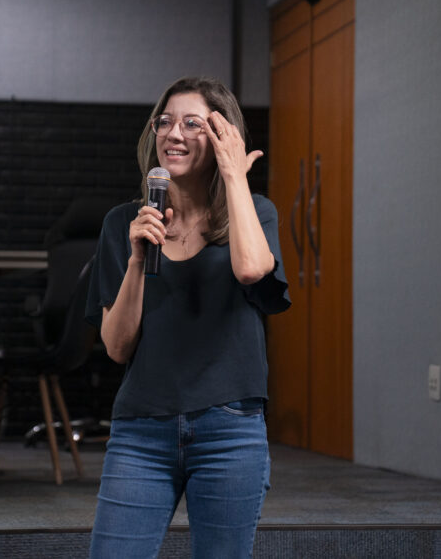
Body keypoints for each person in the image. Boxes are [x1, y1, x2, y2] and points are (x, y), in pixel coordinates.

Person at [86, 76, 290, 558]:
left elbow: (251, 269)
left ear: (222, 137)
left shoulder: (255, 214)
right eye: (165, 122)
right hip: (141, 431)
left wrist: (235, 176)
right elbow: (117, 347)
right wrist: (137, 259)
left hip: (230, 429)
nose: (174, 133)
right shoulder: (123, 223)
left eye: (192, 123)